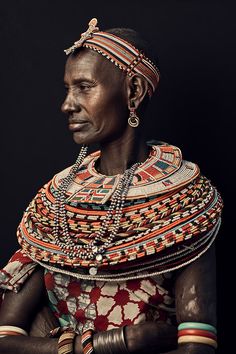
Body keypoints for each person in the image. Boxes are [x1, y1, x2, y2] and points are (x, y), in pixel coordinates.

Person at [0, 18, 223, 354]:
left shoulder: (184, 203)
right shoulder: (55, 202)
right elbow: (5, 339)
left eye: (84, 86)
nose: (67, 105)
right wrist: (120, 342)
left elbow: (197, 349)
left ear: (132, 91)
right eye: (67, 88)